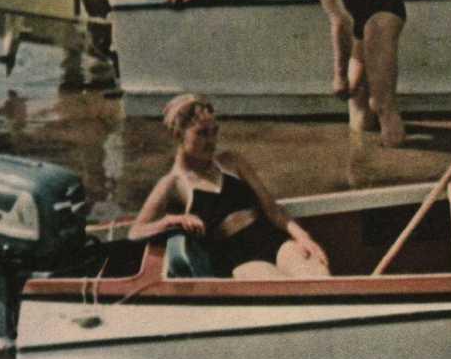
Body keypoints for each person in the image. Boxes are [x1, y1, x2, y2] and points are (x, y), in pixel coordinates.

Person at [168, 0, 406, 147]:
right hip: (358, 10)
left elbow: (340, 21)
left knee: (382, 103)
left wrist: (339, 76)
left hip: (380, 6)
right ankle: (367, 158)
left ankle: (395, 151)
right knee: (357, 104)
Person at [129, 93, 329, 278]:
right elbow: (136, 232)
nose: (211, 141)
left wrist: (303, 238)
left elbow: (272, 209)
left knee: (317, 275)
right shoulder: (172, 183)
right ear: (178, 135)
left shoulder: (231, 162)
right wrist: (173, 220)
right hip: (241, 261)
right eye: (202, 133)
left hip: (275, 243)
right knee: (280, 287)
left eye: (214, 131)